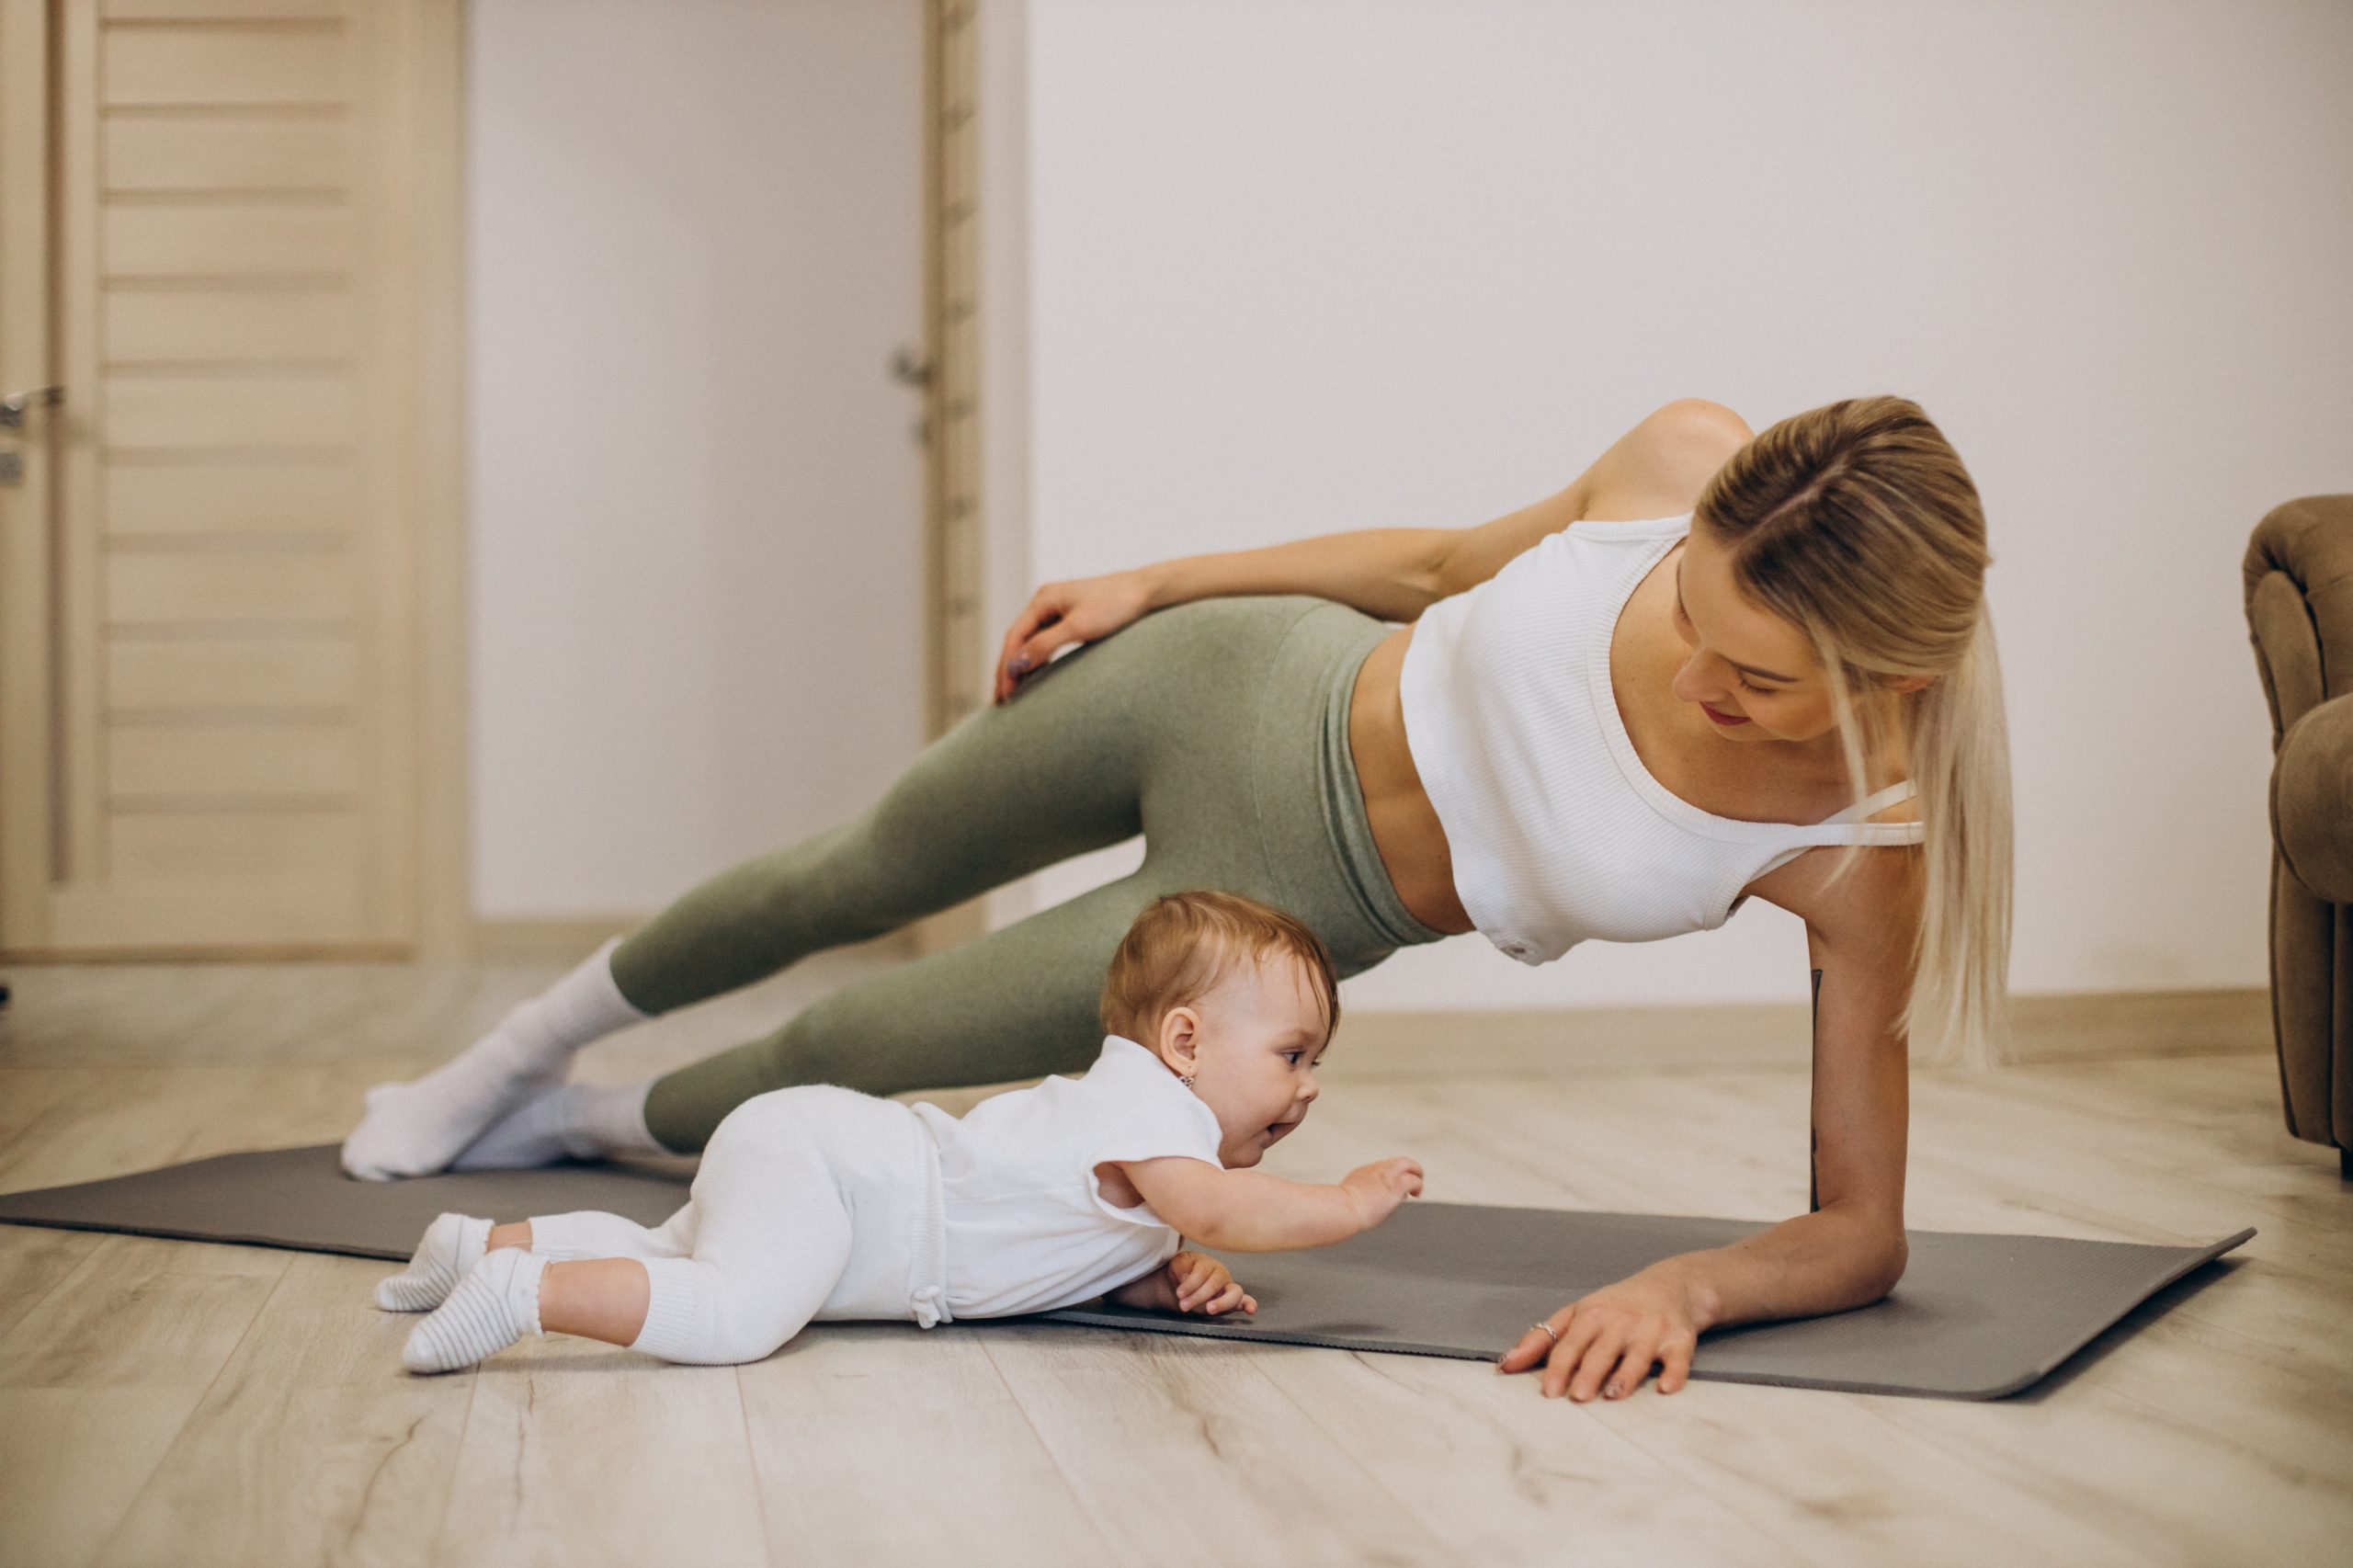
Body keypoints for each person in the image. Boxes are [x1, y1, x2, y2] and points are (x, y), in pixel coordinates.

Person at [344, 393, 2011, 1403]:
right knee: (844, 874)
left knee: (849, 1045)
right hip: (1235, 679)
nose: (1698, 673)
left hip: (1268, 909)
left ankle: (585, 1121)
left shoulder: (1860, 846)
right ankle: (506, 1055)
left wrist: (1689, 1285)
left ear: (1901, 674)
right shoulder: (1683, 456)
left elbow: (1862, 1229)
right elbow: (1439, 570)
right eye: (1694, 620)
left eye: (1762, 681)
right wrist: (1161, 578)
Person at [377, 892, 1424, 1373]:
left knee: (672, 1251)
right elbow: (1217, 1204)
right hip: (846, 1182)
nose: (1309, 1088)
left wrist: (1158, 1278)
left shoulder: (1141, 1134)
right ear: (1184, 1040)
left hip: (823, 1159)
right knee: (735, 1314)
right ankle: (529, 1294)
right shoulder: (1151, 1111)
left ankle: (483, 1244)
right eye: (1292, 1054)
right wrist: (1342, 1202)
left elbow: (1084, 1237)